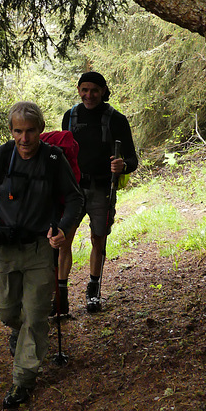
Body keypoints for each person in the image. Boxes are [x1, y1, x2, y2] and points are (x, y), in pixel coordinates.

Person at [0, 101, 83, 409]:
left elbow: (75, 198)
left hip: (40, 249)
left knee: (35, 315)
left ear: (40, 131)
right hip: (4, 249)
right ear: (11, 131)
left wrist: (63, 227)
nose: (24, 138)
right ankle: (20, 334)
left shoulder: (54, 159)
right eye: (18, 131)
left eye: (30, 131)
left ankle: (23, 380)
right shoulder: (1, 157)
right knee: (4, 309)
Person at [55, 71, 138, 315]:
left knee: (98, 240)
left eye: (94, 90)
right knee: (63, 241)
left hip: (102, 189)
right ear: (79, 90)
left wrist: (123, 165)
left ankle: (94, 291)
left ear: (103, 91)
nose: (88, 95)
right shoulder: (70, 117)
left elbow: (132, 158)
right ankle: (61, 297)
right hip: (73, 190)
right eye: (84, 89)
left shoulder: (117, 120)